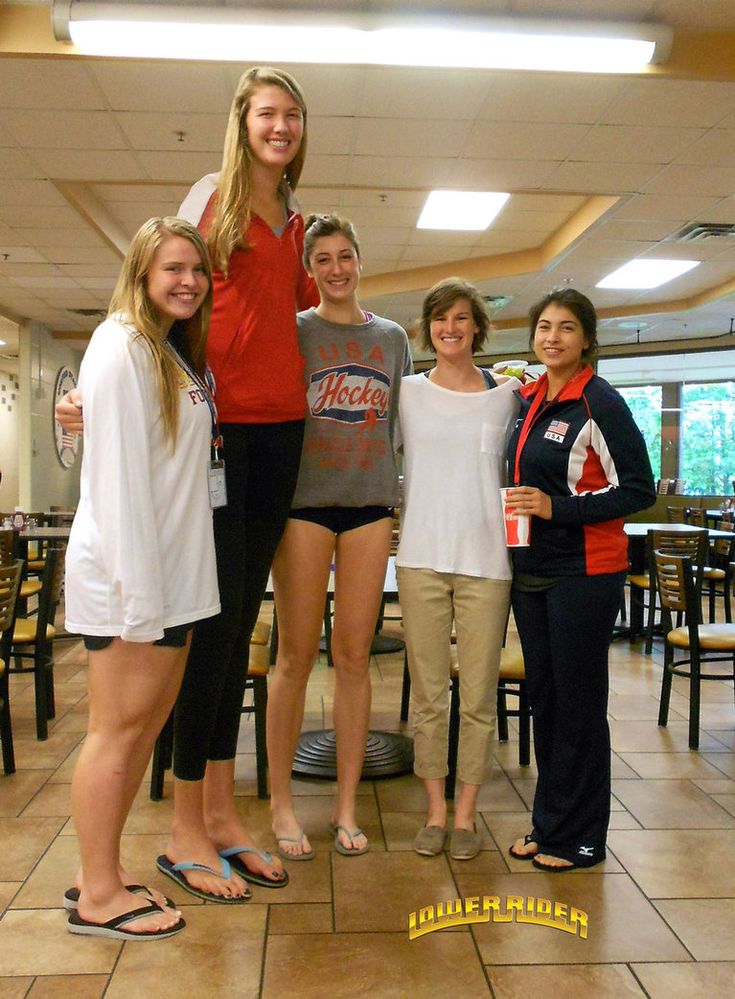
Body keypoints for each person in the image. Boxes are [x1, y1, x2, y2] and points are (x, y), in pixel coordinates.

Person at [58, 66, 318, 901]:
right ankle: (185, 828)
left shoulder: (296, 220)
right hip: (224, 428)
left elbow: (289, 321)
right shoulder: (216, 196)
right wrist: (96, 401)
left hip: (281, 431)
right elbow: (170, 306)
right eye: (266, 113)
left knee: (239, 616)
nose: (280, 127)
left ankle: (220, 812)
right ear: (241, 122)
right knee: (208, 628)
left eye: (292, 116)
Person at [64, 217, 219, 939]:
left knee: (141, 729)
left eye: (196, 268)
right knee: (115, 733)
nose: (187, 280)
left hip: (173, 579)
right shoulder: (120, 345)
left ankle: (104, 870)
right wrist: (140, 602)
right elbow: (121, 482)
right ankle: (96, 892)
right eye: (173, 268)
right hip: (135, 586)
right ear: (142, 272)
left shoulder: (163, 349)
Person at [267, 214, 412, 858]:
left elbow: (407, 425)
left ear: (360, 260)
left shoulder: (394, 339)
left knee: (354, 658)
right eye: (322, 258)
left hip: (370, 507)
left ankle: (348, 807)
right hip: (303, 506)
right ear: (309, 269)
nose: (335, 268)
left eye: (345, 255)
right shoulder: (293, 332)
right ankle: (280, 805)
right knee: (295, 657)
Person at [505, 288, 655, 871]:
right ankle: (550, 824)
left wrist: (556, 509)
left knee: (579, 706)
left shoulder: (599, 403)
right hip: (532, 571)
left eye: (567, 328)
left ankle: (583, 836)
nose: (553, 337)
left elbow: (637, 489)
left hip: (586, 572)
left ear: (586, 339)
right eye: (544, 326)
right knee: (546, 700)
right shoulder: (530, 397)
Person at [395, 278, 520, 861]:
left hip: (486, 562)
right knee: (429, 695)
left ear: (477, 328)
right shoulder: (406, 393)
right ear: (428, 327)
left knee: (476, 697)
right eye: (441, 318)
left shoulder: (507, 397)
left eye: (462, 318)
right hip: (420, 558)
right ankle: (435, 811)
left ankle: (467, 815)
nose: (451, 328)